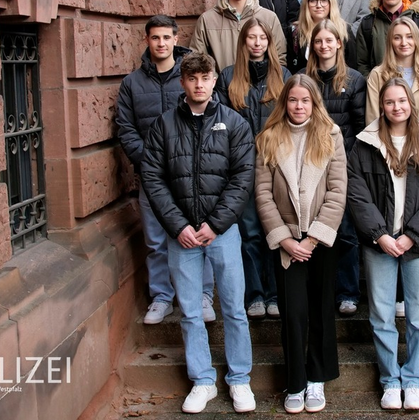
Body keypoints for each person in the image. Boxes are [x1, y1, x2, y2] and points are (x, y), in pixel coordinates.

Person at [141, 51, 256, 414]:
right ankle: (202, 380)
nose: (199, 84)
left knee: (235, 309)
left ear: (213, 81)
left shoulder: (234, 124)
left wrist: (215, 224)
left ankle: (239, 379)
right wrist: (179, 226)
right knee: (190, 311)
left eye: (205, 78)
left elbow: (242, 179)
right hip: (182, 236)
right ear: (183, 82)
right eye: (192, 79)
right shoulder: (163, 125)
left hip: (222, 233)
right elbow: (153, 178)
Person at [348, 77, 419, 411]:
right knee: (381, 314)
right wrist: (381, 235)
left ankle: (414, 379)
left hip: (418, 243)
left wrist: (411, 236)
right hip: (380, 243)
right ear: (382, 105)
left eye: (401, 101)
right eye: (389, 102)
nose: (396, 107)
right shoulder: (365, 145)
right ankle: (391, 380)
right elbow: (358, 195)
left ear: (411, 103)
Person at [255, 74, 348, 414]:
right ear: (285, 103)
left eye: (305, 100)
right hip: (286, 242)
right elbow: (263, 195)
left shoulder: (331, 136)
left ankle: (317, 379)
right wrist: (286, 240)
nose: (298, 106)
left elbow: (338, 191)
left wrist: (312, 238)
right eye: (293, 100)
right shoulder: (268, 138)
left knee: (322, 310)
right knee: (293, 313)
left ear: (314, 103)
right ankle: (295, 382)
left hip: (320, 240)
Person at [116, 16, 216, 325]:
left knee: (199, 232)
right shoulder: (132, 83)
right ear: (146, 40)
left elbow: (207, 117)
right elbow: (125, 127)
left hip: (190, 174)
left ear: (175, 39)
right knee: (156, 239)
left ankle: (203, 294)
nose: (161, 43)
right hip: (151, 176)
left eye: (166, 37)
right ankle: (162, 297)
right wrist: (150, 162)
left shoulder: (188, 76)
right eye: (155, 37)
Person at [216, 20, 292, 319]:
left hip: (275, 164)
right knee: (250, 233)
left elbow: (290, 121)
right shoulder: (228, 77)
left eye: (262, 38)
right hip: (242, 166)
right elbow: (221, 125)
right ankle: (256, 295)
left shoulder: (283, 76)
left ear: (270, 42)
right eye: (251, 37)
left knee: (275, 228)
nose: (257, 43)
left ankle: (275, 294)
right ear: (243, 42)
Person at [303, 21, 367, 316]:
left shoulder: (354, 80)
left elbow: (359, 128)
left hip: (344, 166)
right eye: (319, 41)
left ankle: (347, 292)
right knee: (311, 230)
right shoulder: (304, 81)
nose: (324, 46)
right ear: (312, 45)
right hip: (309, 165)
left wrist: (345, 163)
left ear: (339, 43)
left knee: (346, 233)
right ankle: (319, 290)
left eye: (329, 41)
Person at [365, 17, 419, 151]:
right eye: (397, 38)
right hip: (390, 149)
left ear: (417, 40)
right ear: (390, 42)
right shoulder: (378, 75)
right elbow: (373, 120)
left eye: (409, 37)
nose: (404, 42)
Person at [190, 0, 286, 73]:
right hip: (222, 87)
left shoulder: (269, 17)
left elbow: (279, 57)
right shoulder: (207, 19)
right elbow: (198, 59)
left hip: (260, 88)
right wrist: (217, 84)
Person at [287, 0, 357, 73]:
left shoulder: (343, 29)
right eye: (313, 0)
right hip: (304, 83)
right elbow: (291, 67)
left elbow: (352, 65)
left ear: (331, 3)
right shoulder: (295, 31)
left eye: (324, 0)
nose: (319, 5)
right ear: (306, 4)